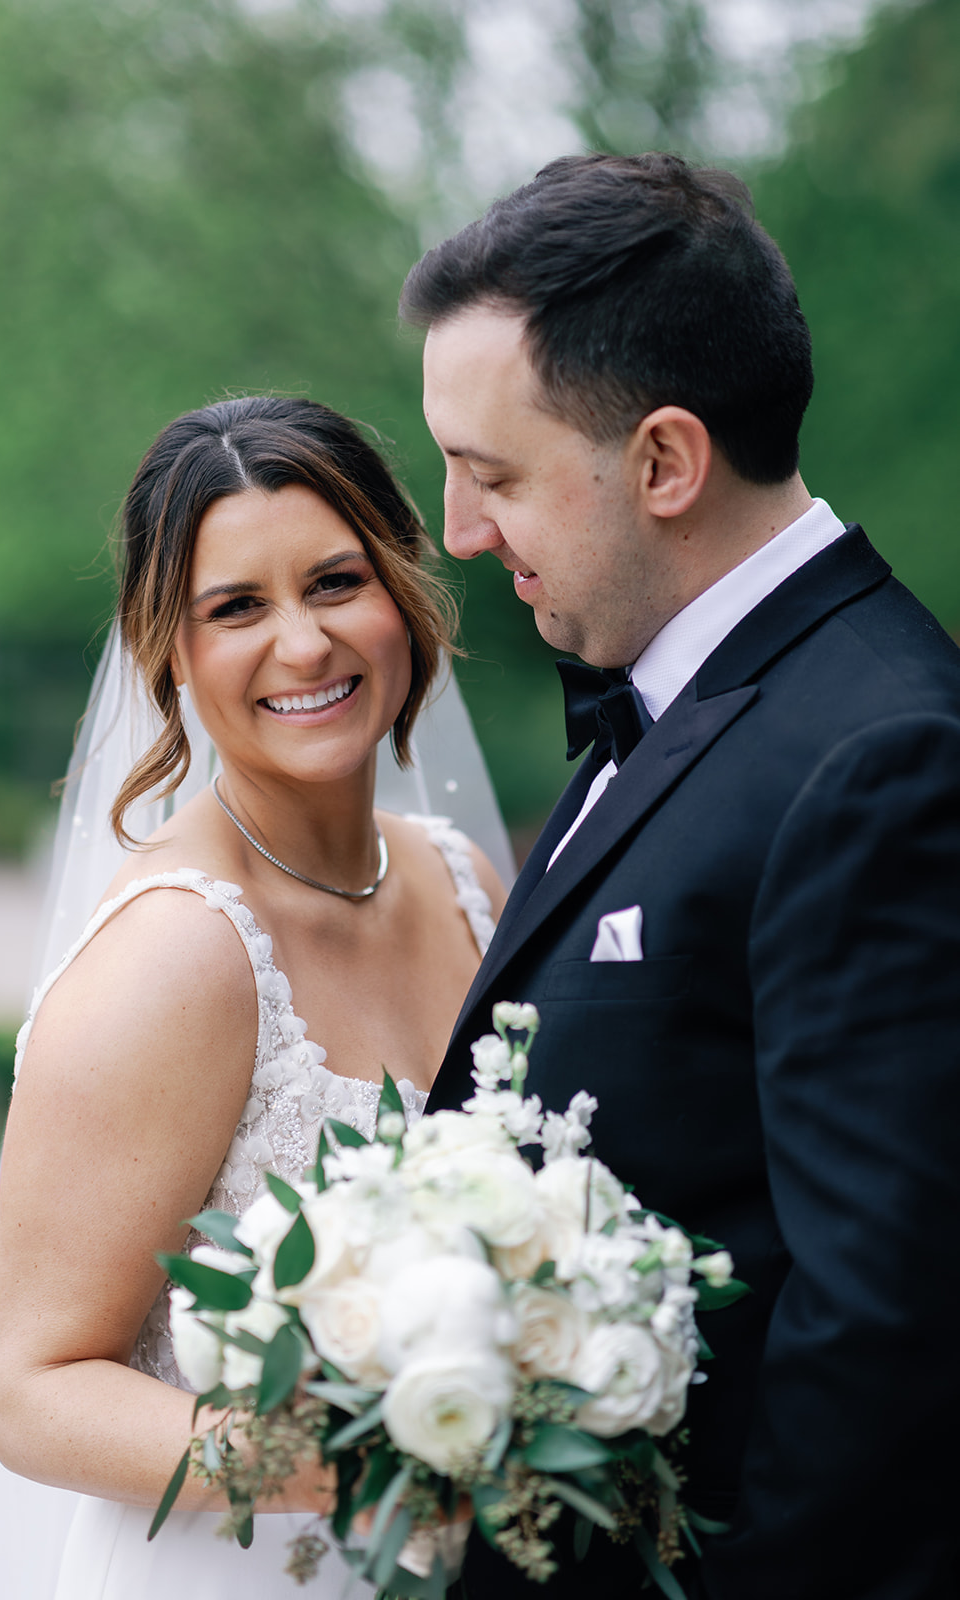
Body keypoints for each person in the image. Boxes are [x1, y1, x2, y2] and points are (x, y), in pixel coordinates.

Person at [403, 152, 960, 1598]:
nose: (460, 532)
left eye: (491, 475)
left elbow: (885, 1337)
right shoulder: (680, 689)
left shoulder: (880, 757)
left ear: (661, 460)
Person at [0, 395, 510, 1600]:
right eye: (237, 608)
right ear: (170, 656)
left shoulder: (459, 879)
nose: (303, 644)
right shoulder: (179, 952)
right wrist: (348, 1461)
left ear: (402, 588)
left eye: (335, 581)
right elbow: (30, 1390)